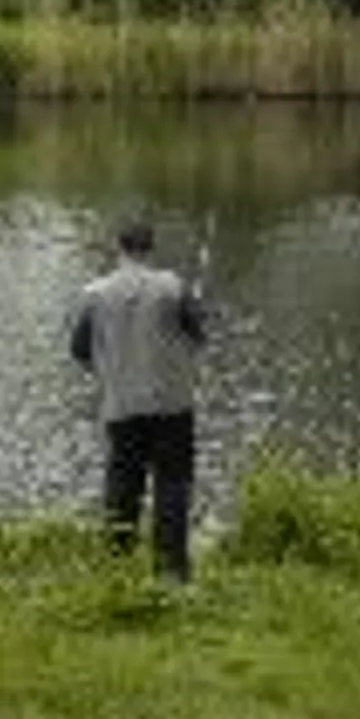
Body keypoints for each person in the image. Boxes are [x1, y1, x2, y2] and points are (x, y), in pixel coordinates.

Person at [68, 219, 206, 582]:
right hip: (173, 407)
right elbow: (198, 334)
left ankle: (117, 570)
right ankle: (171, 573)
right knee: (172, 486)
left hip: (120, 408)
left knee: (122, 486)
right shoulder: (173, 286)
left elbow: (79, 351)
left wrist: (108, 372)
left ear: (119, 248)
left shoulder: (94, 294)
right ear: (150, 248)